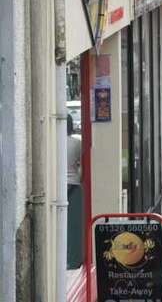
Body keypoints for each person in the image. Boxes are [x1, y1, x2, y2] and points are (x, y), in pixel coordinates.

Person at [66, 114, 83, 269]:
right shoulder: (77, 143)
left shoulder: (52, 141)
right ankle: (73, 259)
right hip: (74, 186)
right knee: (73, 227)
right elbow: (82, 164)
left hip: (56, 188)